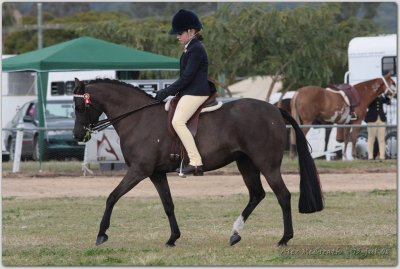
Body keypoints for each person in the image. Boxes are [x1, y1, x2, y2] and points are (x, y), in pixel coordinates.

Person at [155, 9, 213, 176]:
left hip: (196, 92)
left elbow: (187, 77)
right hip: (190, 91)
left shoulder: (195, 49)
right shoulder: (190, 48)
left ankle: (195, 162)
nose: (177, 36)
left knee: (178, 122)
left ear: (191, 31)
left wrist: (167, 91)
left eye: (180, 33)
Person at [364, 95, 391, 160]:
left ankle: (382, 157)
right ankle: (370, 157)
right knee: (371, 138)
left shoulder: (381, 96)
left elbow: (387, 100)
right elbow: (368, 103)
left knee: (381, 139)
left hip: (381, 119)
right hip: (371, 119)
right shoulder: (370, 95)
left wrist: (387, 95)